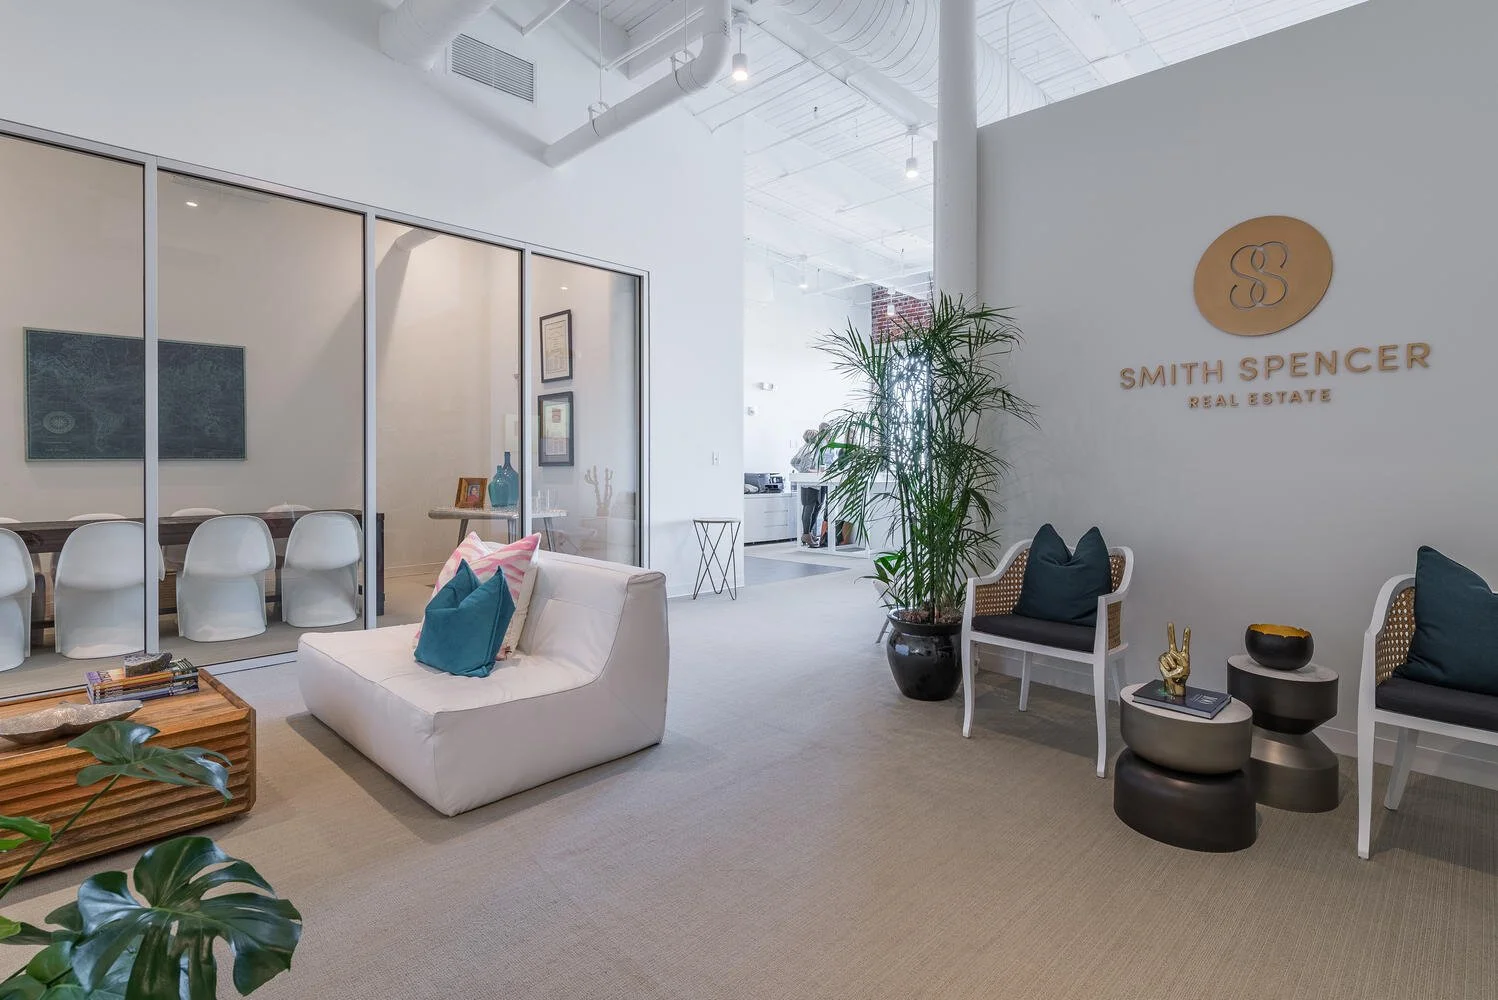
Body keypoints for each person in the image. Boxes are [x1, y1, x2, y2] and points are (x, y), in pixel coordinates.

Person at [789, 429, 823, 547]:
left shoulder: (804, 447)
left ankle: (807, 534)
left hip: (806, 483)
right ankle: (806, 535)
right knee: (809, 509)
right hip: (810, 483)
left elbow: (793, 461)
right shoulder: (811, 449)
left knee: (807, 509)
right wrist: (819, 471)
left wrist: (801, 470)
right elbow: (806, 469)